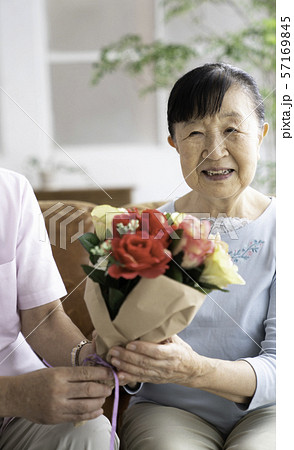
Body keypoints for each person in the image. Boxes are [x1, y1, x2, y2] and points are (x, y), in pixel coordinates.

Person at [108, 63, 276, 449]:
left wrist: (194, 370)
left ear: (262, 135)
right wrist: (126, 360)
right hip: (168, 409)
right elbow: (120, 347)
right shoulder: (145, 231)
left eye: (232, 130)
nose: (215, 151)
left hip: (271, 408)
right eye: (195, 133)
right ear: (174, 143)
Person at [0, 168, 119, 449]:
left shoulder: (11, 190)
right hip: (14, 395)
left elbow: (45, 318)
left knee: (88, 430)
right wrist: (12, 395)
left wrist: (91, 357)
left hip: (16, 413)